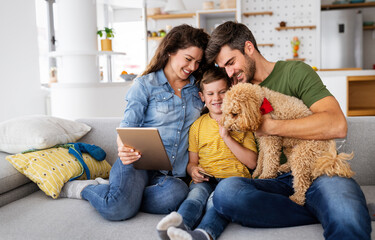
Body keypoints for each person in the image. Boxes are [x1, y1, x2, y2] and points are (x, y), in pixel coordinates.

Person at [204, 21, 371, 239]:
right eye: (223, 67)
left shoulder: (295, 72)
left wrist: (273, 127)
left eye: (231, 62)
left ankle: (326, 207)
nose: (229, 72)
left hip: (317, 170)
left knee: (346, 211)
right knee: (226, 193)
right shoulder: (235, 91)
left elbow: (337, 125)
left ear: (248, 48)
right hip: (273, 180)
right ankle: (318, 211)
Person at [59, 24, 210, 221]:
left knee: (177, 194)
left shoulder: (199, 90)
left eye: (198, 62)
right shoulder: (145, 85)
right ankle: (87, 189)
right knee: (117, 210)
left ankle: (122, 195)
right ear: (171, 51)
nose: (192, 67)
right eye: (188, 59)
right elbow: (127, 127)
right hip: (137, 163)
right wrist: (123, 148)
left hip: (170, 175)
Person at [156, 67, 257, 240]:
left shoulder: (241, 121)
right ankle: (177, 229)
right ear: (202, 97)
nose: (216, 98)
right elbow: (191, 163)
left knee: (215, 203)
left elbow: (252, 163)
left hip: (232, 181)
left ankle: (204, 234)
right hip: (206, 178)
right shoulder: (197, 126)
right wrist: (193, 171)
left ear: (230, 92)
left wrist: (226, 136)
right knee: (195, 197)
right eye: (210, 94)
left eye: (222, 92)